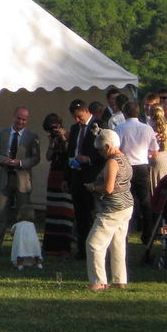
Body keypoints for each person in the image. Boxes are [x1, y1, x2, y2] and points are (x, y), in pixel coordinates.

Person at [85, 128, 133, 291]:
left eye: (100, 149)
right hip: (126, 206)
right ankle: (120, 280)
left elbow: (109, 188)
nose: (99, 153)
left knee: (94, 244)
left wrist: (93, 187)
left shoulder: (112, 162)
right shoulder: (124, 158)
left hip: (112, 208)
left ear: (107, 146)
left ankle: (98, 282)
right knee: (117, 244)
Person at [0, 107, 40, 252]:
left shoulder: (32, 136)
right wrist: (3, 160)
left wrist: (21, 163)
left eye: (24, 120)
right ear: (14, 117)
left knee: (24, 215)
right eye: (18, 118)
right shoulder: (2, 133)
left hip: (22, 180)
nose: (20, 122)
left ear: (27, 120)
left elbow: (36, 158)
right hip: (5, 177)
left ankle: (23, 248)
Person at [67, 98, 104, 259]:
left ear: (86, 111)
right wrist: (66, 176)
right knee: (80, 214)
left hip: (91, 175)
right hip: (76, 174)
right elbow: (70, 151)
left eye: (79, 117)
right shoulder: (75, 128)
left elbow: (104, 152)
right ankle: (81, 249)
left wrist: (89, 159)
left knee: (91, 213)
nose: (77, 120)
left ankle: (93, 248)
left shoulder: (99, 126)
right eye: (74, 117)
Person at [114, 101, 155, 243]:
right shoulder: (147, 129)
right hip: (142, 166)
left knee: (125, 200)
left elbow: (116, 149)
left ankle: (125, 232)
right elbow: (154, 149)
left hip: (125, 166)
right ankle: (147, 233)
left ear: (124, 113)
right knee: (145, 201)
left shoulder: (119, 128)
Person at [41, 113, 74, 256]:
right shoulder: (52, 138)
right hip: (54, 174)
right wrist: (52, 144)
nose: (52, 131)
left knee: (65, 211)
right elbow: (48, 157)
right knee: (53, 211)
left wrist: (64, 138)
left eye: (54, 128)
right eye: (50, 129)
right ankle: (51, 246)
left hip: (65, 174)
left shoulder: (69, 134)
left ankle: (64, 246)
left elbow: (70, 153)